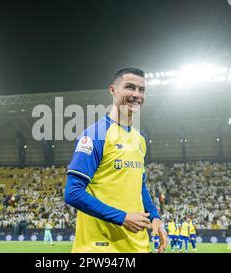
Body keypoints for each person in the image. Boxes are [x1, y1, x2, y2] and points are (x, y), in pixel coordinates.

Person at [65, 67, 168, 253]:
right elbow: (72, 192)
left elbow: (140, 186)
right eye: (130, 87)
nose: (136, 94)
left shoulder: (139, 140)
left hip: (138, 247)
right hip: (99, 249)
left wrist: (155, 217)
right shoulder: (95, 135)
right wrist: (122, 217)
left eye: (141, 90)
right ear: (113, 90)